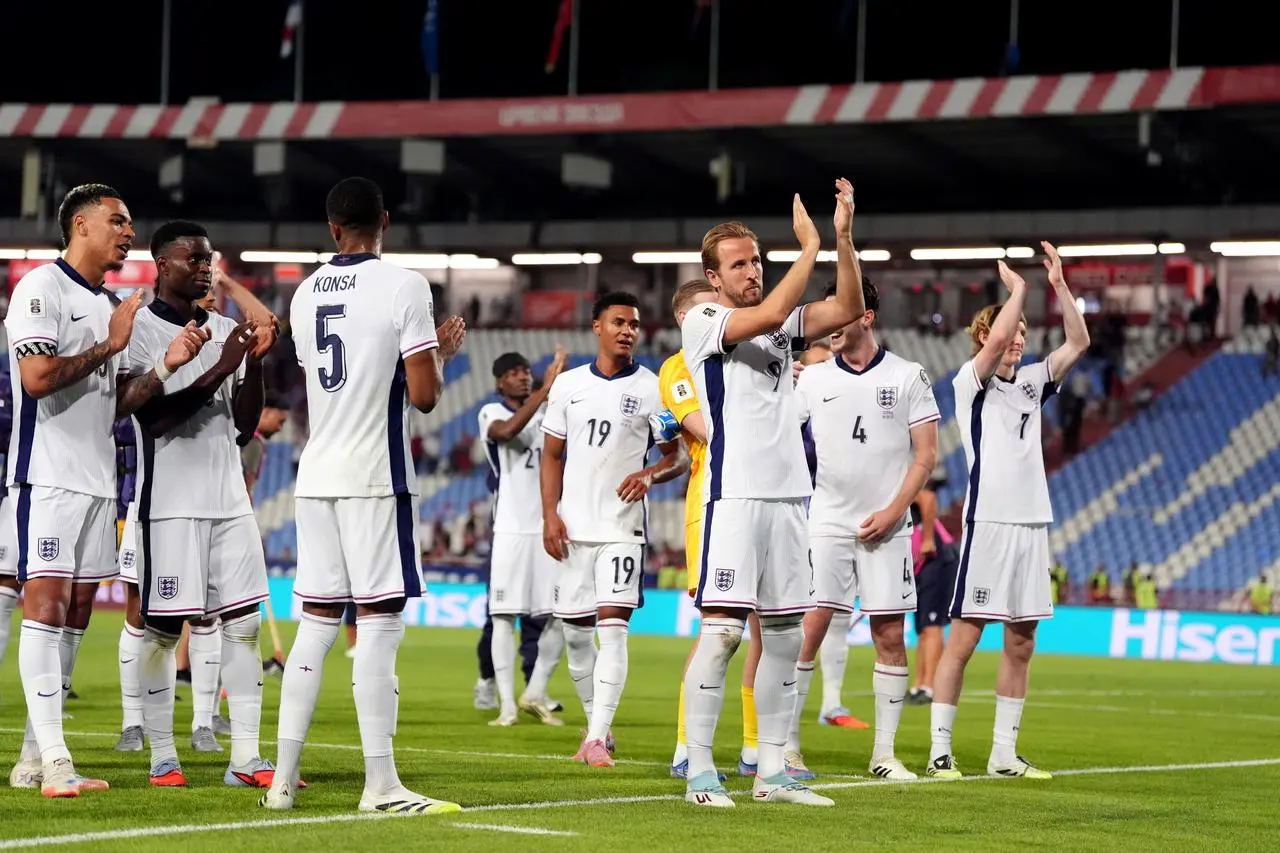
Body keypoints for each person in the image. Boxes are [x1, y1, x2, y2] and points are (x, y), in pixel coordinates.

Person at [260, 177, 466, 814]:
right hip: (376, 475)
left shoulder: (303, 294)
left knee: (315, 628)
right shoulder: (404, 285)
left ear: (331, 228)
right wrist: (442, 354)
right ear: (384, 219)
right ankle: (380, 785)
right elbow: (425, 396)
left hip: (316, 471)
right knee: (379, 625)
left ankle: (282, 784)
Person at [6, 184, 208, 797]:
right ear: (82, 226)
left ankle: (33, 758)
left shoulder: (112, 303)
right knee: (41, 609)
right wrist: (110, 346)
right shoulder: (42, 287)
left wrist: (165, 366)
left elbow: (114, 405)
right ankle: (60, 764)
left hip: (98, 482)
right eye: (118, 221)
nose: (128, 232)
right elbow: (38, 379)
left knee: (74, 614)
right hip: (46, 474)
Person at [679, 181, 863, 808]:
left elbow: (846, 309)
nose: (752, 271)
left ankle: (772, 774)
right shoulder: (705, 321)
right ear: (714, 276)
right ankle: (701, 772)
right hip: (735, 499)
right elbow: (762, 317)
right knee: (724, 635)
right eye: (740, 263)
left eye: (757, 260)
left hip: (790, 499)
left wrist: (841, 239)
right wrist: (805, 248)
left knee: (783, 638)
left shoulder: (780, 319)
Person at [122, 221, 279, 788]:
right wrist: (220, 364)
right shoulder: (138, 328)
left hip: (229, 499)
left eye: (208, 258)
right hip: (169, 503)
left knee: (244, 627)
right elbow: (152, 416)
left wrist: (253, 361)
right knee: (163, 631)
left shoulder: (224, 327)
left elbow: (242, 426)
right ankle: (163, 755)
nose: (205, 267)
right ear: (162, 264)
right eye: (193, 258)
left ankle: (247, 759)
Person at [927, 241, 1089, 781]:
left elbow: (1079, 340)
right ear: (983, 339)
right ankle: (940, 751)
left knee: (1022, 641)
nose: (1017, 341)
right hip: (988, 523)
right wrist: (1018, 290)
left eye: (1023, 335)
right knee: (966, 639)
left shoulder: (1033, 382)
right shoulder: (967, 385)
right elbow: (997, 335)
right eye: (1010, 334)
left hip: (1030, 525)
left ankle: (1003, 754)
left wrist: (1058, 284)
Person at [786, 278, 939, 781]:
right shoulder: (811, 378)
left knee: (889, 634)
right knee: (809, 628)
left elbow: (926, 456)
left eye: (841, 312)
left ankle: (884, 754)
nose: (830, 323)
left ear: (866, 316)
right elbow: (777, 430)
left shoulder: (908, 375)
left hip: (888, 526)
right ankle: (786, 745)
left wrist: (896, 511)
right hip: (827, 521)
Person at [540, 291, 687, 766]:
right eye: (619, 322)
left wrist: (649, 475)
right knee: (576, 636)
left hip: (622, 529)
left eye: (634, 324)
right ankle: (595, 724)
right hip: (573, 528)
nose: (628, 330)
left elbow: (676, 456)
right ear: (596, 327)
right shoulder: (566, 386)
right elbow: (552, 455)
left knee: (613, 630)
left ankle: (598, 736)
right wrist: (549, 514)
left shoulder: (652, 388)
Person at [662, 278, 766, 779]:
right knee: (718, 632)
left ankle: (755, 751)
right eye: (708, 309)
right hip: (713, 500)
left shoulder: (743, 353)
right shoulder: (678, 367)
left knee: (771, 629)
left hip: (761, 496)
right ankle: (687, 749)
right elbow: (704, 428)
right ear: (687, 319)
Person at [478, 347, 569, 726]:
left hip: (550, 526)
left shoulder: (551, 412)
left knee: (563, 617)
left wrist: (552, 394)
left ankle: (535, 693)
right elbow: (509, 432)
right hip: (512, 529)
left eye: (526, 371)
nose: (523, 375)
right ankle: (506, 706)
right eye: (514, 372)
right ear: (500, 381)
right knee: (503, 618)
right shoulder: (492, 413)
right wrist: (545, 390)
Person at [906, 479, 958, 705]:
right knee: (922, 629)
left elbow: (928, 498)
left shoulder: (901, 481)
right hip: (919, 565)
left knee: (932, 625)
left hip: (936, 560)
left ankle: (930, 686)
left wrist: (928, 539)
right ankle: (919, 684)